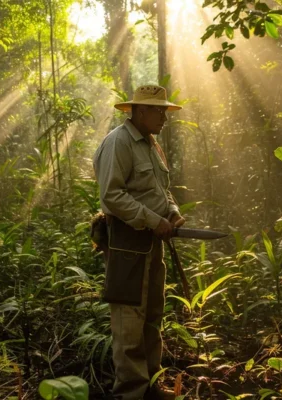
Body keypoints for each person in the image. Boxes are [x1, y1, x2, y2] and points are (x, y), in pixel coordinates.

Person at [93, 84, 185, 400]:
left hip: (152, 244)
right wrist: (152, 219)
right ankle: (130, 392)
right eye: (158, 110)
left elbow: (160, 190)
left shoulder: (150, 145)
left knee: (152, 317)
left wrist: (171, 212)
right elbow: (112, 196)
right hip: (126, 245)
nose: (164, 117)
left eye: (164, 110)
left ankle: (150, 385)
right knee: (129, 322)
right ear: (140, 111)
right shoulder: (117, 143)